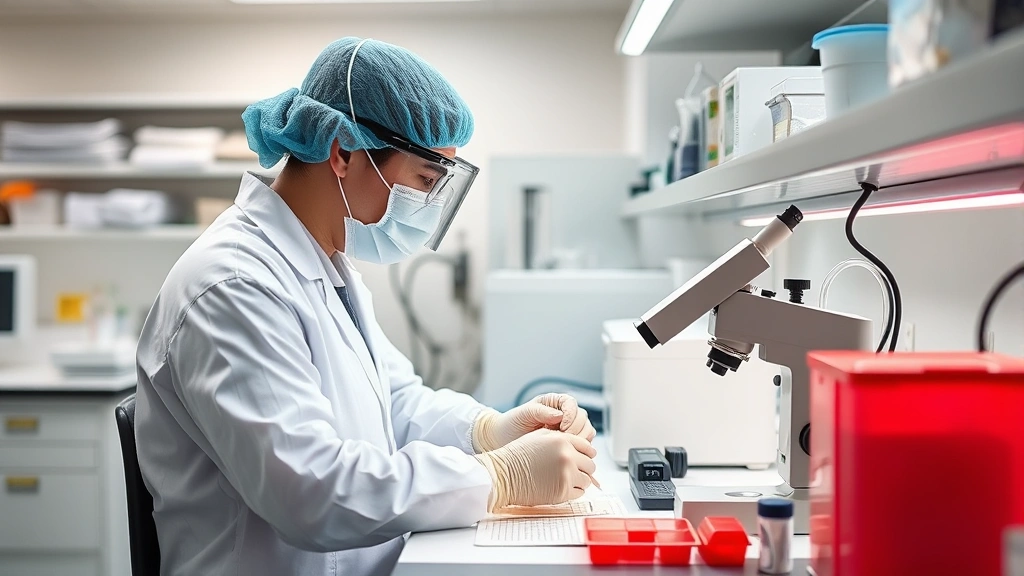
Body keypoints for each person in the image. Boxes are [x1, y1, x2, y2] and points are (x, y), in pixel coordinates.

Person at [135, 37, 598, 576]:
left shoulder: (327, 267)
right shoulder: (234, 286)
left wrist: (487, 431)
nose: (428, 204)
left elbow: (394, 405)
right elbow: (311, 492)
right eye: (426, 180)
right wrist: (500, 478)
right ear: (343, 152)